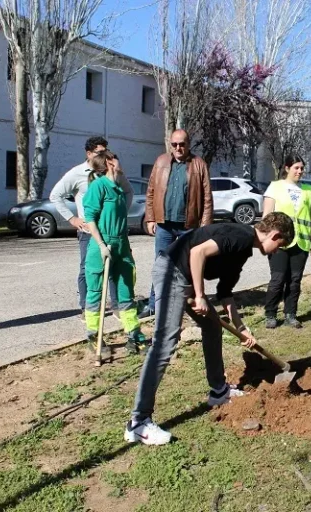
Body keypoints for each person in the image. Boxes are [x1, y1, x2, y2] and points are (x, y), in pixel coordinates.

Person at [124, 212, 294, 445]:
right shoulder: (240, 236)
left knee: (213, 328)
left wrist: (241, 327)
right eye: (279, 245)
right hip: (172, 271)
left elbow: (225, 293)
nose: (275, 252)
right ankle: (138, 422)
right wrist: (200, 295)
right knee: (165, 344)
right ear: (274, 235)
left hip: (184, 276)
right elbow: (197, 252)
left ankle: (218, 392)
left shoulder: (242, 251)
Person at [50, 136, 133, 318]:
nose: (105, 156)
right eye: (100, 153)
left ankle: (117, 305)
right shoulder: (77, 173)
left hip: (112, 232)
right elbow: (55, 196)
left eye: (106, 151)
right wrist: (72, 219)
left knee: (113, 268)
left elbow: (127, 191)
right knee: (88, 269)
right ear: (89, 154)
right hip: (89, 232)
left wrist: (120, 214)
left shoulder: (112, 171)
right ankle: (87, 307)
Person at [139, 129, 214, 319]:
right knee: (161, 266)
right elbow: (151, 191)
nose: (178, 148)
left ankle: (186, 307)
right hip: (164, 225)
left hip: (189, 226)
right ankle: (154, 305)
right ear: (170, 145)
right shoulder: (161, 161)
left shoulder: (199, 165)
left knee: (188, 267)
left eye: (182, 144)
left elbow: (207, 199)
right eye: (174, 144)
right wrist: (150, 218)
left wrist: (205, 226)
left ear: (189, 144)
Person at [82, 151, 147, 355]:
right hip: (101, 246)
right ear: (110, 163)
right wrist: (101, 244)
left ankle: (133, 335)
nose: (121, 163)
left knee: (126, 292)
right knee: (95, 293)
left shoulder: (118, 188)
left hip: (120, 245)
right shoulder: (98, 187)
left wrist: (124, 245)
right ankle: (94, 337)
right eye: (117, 159)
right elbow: (90, 218)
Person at [262, 155, 311, 329]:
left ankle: (290, 314)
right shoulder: (275, 187)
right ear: (287, 168)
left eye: (302, 168)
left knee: (295, 280)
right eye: (296, 168)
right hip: (279, 242)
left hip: (301, 242)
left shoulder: (308, 190)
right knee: (278, 279)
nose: (300, 171)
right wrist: (266, 240)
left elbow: (310, 217)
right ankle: (270, 314)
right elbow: (267, 217)